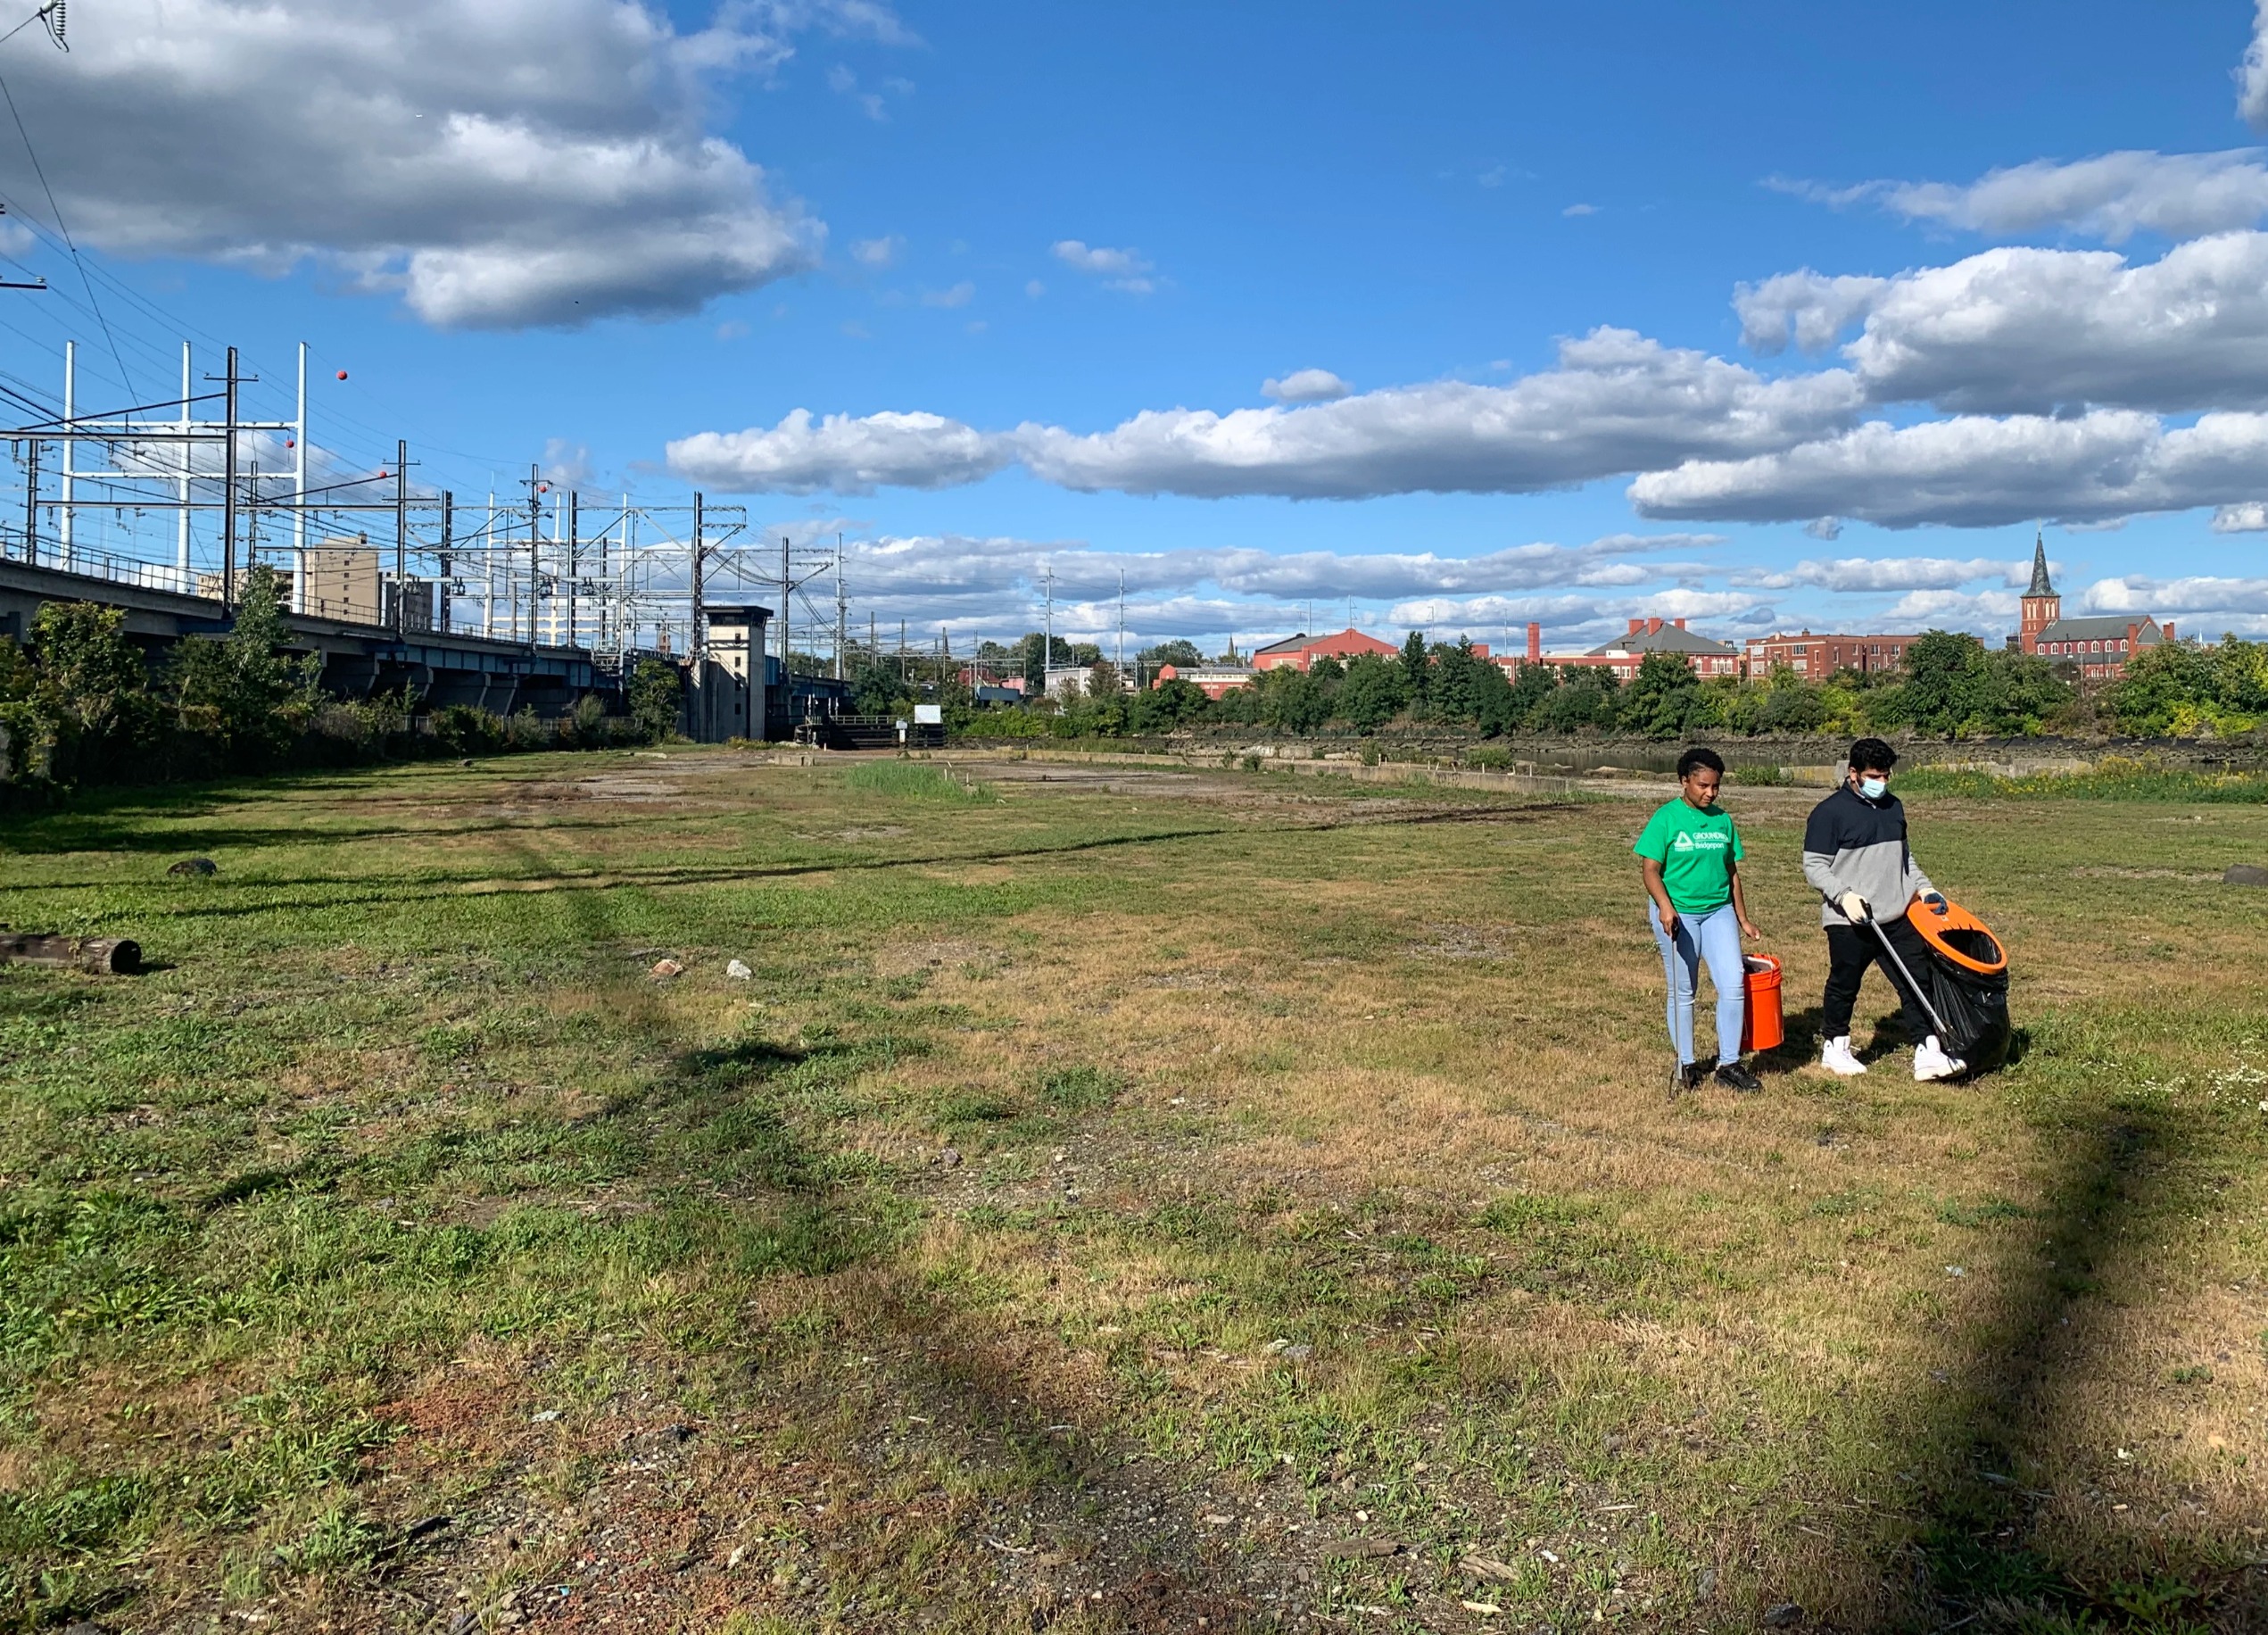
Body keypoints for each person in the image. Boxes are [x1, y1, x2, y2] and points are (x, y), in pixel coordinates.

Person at [1801, 737, 1963, 1081]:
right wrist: (1844, 896)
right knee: (1845, 982)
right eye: (1874, 776)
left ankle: (1928, 1050)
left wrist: (1924, 888)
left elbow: (1904, 858)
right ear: (1853, 773)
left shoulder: (1894, 807)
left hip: (1896, 914)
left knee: (1916, 979)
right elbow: (1814, 866)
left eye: (1886, 776)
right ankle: (1835, 1047)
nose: (1882, 782)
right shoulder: (1829, 813)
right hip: (1849, 919)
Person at [1635, 745, 1764, 1092]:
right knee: (1684, 989)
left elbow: (1731, 872)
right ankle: (1687, 1064)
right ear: (1684, 781)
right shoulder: (1666, 818)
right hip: (1678, 914)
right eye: (1703, 785)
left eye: (1715, 786)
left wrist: (1742, 918)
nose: (1710, 793)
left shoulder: (1723, 821)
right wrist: (1665, 906)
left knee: (1733, 985)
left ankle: (1729, 1064)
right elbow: (1650, 870)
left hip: (1718, 911)